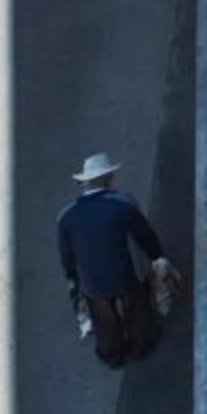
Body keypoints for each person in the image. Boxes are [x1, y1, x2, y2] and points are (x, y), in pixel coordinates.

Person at [59, 154, 170, 367]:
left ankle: (111, 354)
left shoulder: (66, 216)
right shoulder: (123, 204)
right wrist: (157, 256)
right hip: (124, 274)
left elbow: (67, 255)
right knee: (138, 305)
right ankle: (140, 347)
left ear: (84, 183)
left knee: (103, 318)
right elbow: (145, 235)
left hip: (93, 281)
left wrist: (73, 278)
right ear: (109, 178)